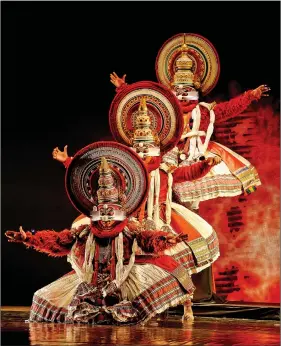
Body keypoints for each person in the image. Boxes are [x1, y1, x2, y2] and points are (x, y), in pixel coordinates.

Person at [6, 152, 195, 324]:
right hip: (91, 282)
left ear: (119, 212)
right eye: (102, 215)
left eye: (110, 215)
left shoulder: (129, 230)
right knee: (42, 297)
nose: (106, 221)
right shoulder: (84, 233)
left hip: (121, 279)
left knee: (161, 276)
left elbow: (148, 239)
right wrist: (28, 238)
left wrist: (168, 240)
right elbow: (57, 241)